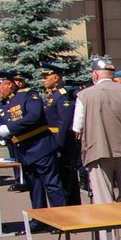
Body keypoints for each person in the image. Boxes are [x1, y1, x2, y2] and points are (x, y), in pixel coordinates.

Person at [73, 56, 121, 240]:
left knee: (103, 197)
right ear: (112, 75)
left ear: (95, 75)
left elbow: (77, 127)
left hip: (96, 150)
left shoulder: (84, 95)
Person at [0, 70, 66, 216]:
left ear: (9, 84)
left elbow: (34, 116)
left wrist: (10, 128)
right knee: (34, 186)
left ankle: (62, 218)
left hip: (40, 147)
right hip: (24, 151)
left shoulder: (29, 96)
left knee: (51, 185)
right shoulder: (5, 103)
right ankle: (39, 219)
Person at [41, 62, 80, 205]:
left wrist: (58, 145)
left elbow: (64, 123)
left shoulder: (62, 96)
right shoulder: (53, 95)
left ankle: (72, 208)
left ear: (56, 78)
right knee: (60, 178)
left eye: (46, 76)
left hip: (62, 143)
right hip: (54, 141)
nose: (43, 79)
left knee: (67, 179)